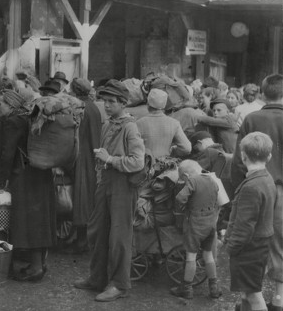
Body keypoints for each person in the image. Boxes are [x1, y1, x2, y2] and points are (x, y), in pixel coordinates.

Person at [74, 79, 145, 302]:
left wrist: (110, 159)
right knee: (96, 231)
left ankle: (119, 284)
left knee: (119, 237)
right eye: (105, 100)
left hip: (123, 187)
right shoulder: (109, 123)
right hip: (105, 183)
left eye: (112, 101)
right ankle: (97, 277)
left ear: (123, 103)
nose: (107, 105)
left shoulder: (130, 127)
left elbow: (138, 162)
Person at [231, 74, 283, 311]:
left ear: (262, 92)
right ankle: (279, 298)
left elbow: (239, 160)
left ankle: (251, 295)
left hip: (256, 186)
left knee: (255, 241)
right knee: (281, 243)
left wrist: (239, 190)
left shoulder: (252, 118)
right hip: (281, 190)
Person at [0, 90, 56, 282]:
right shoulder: (28, 118)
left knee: (27, 223)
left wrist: (3, 180)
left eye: (2, 104)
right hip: (40, 174)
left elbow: (7, 153)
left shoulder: (13, 122)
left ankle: (36, 268)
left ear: (12, 105)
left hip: (23, 176)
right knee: (38, 219)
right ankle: (39, 264)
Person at [226, 132, 276, 311]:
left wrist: (231, 247)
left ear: (243, 155)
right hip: (260, 244)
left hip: (249, 249)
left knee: (254, 295)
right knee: (248, 292)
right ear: (269, 156)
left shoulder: (252, 187)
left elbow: (245, 226)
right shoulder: (267, 179)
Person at [170, 160, 222, 299]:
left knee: (191, 256)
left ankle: (186, 288)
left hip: (196, 224)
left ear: (187, 175)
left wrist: (181, 209)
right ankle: (214, 288)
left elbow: (180, 198)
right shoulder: (212, 181)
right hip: (210, 223)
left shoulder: (193, 181)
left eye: (183, 179)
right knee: (208, 254)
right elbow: (217, 201)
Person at [67, 78, 102, 253]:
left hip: (84, 157)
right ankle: (81, 237)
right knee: (85, 198)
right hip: (89, 156)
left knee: (82, 198)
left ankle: (82, 241)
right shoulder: (92, 107)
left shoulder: (82, 108)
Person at [136, 89, 191, 158]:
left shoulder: (139, 123)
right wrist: (173, 151)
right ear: (164, 105)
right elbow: (187, 148)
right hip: (165, 165)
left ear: (148, 104)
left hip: (145, 165)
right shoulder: (174, 123)